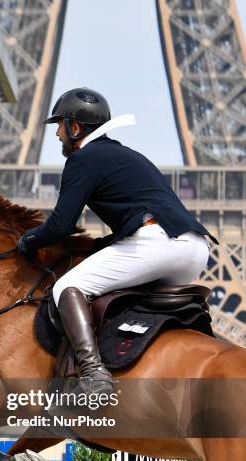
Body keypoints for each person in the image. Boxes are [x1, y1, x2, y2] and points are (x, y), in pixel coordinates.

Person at [17, 87, 217, 398]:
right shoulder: (127, 154)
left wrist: (28, 241)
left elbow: (60, 225)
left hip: (157, 244)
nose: (56, 133)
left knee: (66, 289)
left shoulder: (84, 159)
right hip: (193, 248)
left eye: (59, 125)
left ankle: (94, 373)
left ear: (75, 126)